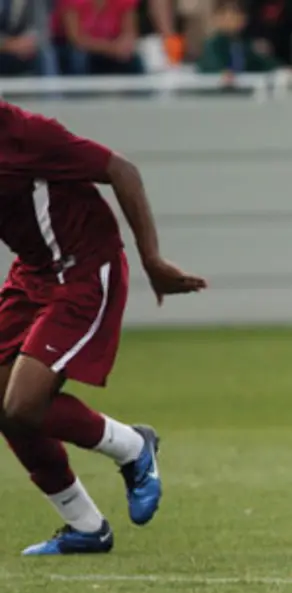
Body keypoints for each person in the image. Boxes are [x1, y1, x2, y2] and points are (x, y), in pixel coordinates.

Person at [0, 101, 207, 555]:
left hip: (84, 271)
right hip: (33, 274)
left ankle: (133, 446)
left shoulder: (27, 135)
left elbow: (123, 170)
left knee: (21, 406)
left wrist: (152, 260)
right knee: (6, 406)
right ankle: (86, 527)